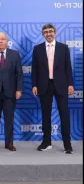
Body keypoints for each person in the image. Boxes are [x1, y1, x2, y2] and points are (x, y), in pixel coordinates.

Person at [31, 23, 74, 154]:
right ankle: (46, 142)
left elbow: (68, 67)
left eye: (50, 31)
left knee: (64, 115)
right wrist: (34, 85)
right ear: (43, 34)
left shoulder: (63, 48)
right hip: (44, 86)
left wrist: (70, 84)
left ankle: (67, 144)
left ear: (55, 32)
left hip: (61, 85)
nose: (48, 34)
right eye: (45, 32)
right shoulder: (37, 49)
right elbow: (34, 69)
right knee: (46, 115)